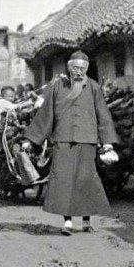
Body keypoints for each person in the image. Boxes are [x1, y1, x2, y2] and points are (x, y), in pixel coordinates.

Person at [21, 51, 118, 235]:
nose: (79, 72)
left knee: (86, 180)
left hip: (87, 140)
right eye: (75, 68)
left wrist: (107, 143)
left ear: (87, 69)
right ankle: (67, 222)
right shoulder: (58, 87)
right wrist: (30, 140)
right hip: (62, 140)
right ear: (69, 68)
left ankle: (86, 221)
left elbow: (103, 116)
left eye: (82, 68)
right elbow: (45, 115)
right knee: (63, 180)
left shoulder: (94, 88)